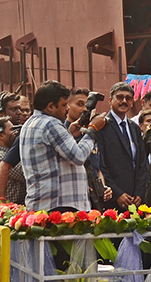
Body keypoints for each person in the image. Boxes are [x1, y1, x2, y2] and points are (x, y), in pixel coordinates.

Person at [19, 80, 107, 212]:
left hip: (44, 205)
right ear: (50, 107)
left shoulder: (30, 123)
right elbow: (78, 157)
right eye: (64, 105)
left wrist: (69, 134)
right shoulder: (51, 124)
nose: (67, 108)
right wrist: (92, 130)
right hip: (60, 207)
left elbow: (53, 154)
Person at [96, 82, 149, 211]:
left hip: (135, 199)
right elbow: (100, 164)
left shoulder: (135, 128)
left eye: (128, 98)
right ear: (110, 101)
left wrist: (139, 193)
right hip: (112, 199)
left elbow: (142, 162)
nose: (124, 101)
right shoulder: (102, 126)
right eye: (119, 97)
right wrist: (117, 193)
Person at [0, 119, 25, 205]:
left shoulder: (7, 153)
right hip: (11, 207)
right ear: (1, 136)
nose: (16, 132)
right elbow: (24, 174)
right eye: (12, 129)